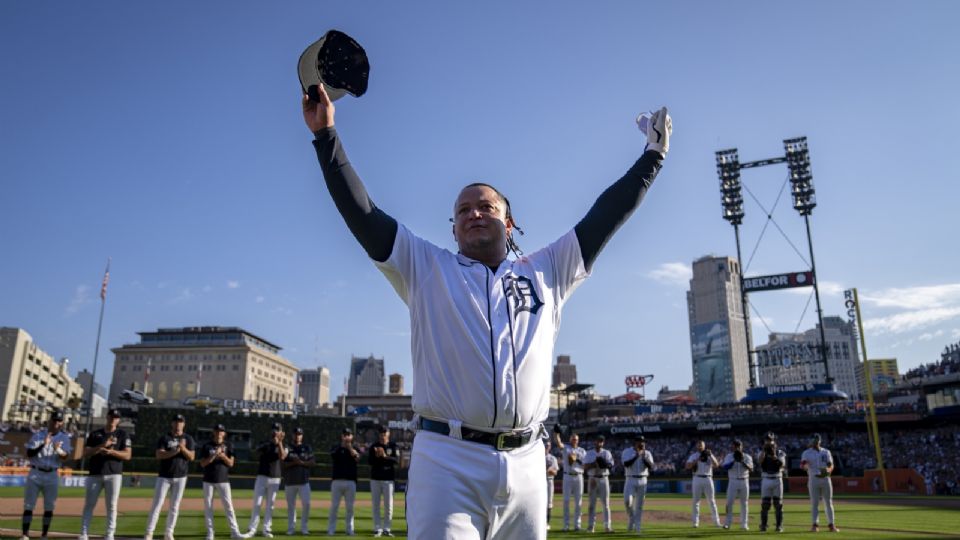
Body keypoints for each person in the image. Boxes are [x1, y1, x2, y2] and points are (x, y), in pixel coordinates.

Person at [303, 79, 670, 540]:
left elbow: (603, 217)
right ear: (454, 229)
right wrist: (326, 137)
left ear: (508, 222)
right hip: (448, 461)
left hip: (529, 463)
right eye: (463, 210)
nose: (474, 213)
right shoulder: (425, 266)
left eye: (486, 206)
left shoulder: (548, 269)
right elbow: (363, 214)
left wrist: (651, 159)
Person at [80, 408, 131, 540]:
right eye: (111, 416)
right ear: (107, 417)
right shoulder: (95, 434)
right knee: (89, 504)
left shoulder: (122, 434)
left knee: (112, 506)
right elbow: (85, 453)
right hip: (95, 473)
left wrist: (111, 452)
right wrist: (102, 446)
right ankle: (84, 533)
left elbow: (127, 455)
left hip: (114, 474)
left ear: (118, 420)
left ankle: (109, 535)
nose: (113, 419)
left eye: (116, 418)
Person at [21, 410, 72, 540]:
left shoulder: (64, 437)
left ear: (61, 423)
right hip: (35, 472)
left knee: (49, 506)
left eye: (59, 421)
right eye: (54, 420)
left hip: (52, 474)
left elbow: (66, 457)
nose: (56, 423)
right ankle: (25, 534)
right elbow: (29, 454)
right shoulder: (38, 435)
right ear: (50, 420)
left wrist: (58, 450)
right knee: (28, 505)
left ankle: (44, 535)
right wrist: (44, 444)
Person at [145, 413, 196, 540]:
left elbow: (191, 457)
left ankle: (169, 532)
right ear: (172, 423)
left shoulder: (188, 439)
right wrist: (175, 451)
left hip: (181, 477)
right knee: (157, 505)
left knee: (174, 506)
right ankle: (149, 532)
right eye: (176, 421)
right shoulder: (165, 438)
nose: (178, 424)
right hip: (164, 476)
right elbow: (159, 455)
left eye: (180, 422)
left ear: (184, 424)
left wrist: (182, 448)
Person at [200, 424, 249, 540]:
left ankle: (234, 532)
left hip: (223, 480)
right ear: (213, 432)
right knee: (208, 507)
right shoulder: (207, 446)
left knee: (229, 506)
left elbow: (231, 463)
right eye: (217, 431)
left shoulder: (229, 445)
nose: (219, 433)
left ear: (224, 433)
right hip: (208, 480)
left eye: (221, 431)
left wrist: (222, 456)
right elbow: (202, 463)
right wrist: (213, 456)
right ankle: (210, 533)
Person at [247, 423, 287, 537]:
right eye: (274, 430)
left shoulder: (284, 444)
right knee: (257, 503)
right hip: (262, 476)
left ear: (281, 432)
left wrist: (279, 442)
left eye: (278, 430)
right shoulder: (264, 443)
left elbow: (282, 456)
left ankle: (266, 528)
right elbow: (257, 452)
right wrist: (272, 443)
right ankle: (252, 528)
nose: (275, 432)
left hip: (275, 478)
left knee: (270, 505)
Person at [801, 433, 838, 533]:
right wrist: (805, 466)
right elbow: (803, 465)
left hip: (825, 478)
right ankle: (815, 525)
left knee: (828, 502)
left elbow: (831, 465)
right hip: (813, 478)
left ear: (819, 441)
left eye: (816, 440)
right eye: (813, 440)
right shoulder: (806, 453)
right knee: (814, 503)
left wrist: (829, 470)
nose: (815, 442)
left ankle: (831, 524)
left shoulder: (826, 452)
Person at [368, 425, 400, 537]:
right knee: (376, 506)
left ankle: (387, 528)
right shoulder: (374, 446)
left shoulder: (393, 446)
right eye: (381, 433)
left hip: (388, 480)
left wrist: (385, 456)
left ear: (388, 434)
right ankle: (377, 529)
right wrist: (377, 455)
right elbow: (370, 462)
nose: (383, 435)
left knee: (389, 506)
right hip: (375, 479)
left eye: (385, 433)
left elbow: (396, 461)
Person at [328, 428, 360, 536]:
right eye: (345, 435)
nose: (347, 437)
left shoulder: (355, 447)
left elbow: (357, 458)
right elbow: (332, 455)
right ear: (342, 436)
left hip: (350, 481)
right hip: (337, 481)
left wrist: (349, 447)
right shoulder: (336, 447)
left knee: (350, 507)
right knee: (334, 507)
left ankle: (350, 529)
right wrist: (342, 446)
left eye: (349, 435)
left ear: (352, 436)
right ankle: (331, 529)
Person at [553, 431, 587, 532]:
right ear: (570, 440)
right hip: (567, 476)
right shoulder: (566, 449)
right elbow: (559, 443)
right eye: (573, 439)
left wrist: (576, 460)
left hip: (579, 476)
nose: (574, 441)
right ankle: (566, 525)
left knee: (578, 502)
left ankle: (577, 525)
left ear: (578, 440)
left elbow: (585, 465)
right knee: (566, 501)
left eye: (576, 439)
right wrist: (556, 434)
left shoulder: (582, 451)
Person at [283, 427, 314, 536]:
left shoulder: (307, 447)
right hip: (290, 481)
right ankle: (291, 528)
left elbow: (312, 462)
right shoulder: (287, 447)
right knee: (291, 507)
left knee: (307, 504)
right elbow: (284, 464)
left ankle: (304, 528)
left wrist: (300, 462)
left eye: (299, 434)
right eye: (296, 434)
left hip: (304, 481)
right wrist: (294, 463)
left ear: (302, 435)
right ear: (292, 435)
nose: (297, 436)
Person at [621, 435, 654, 533]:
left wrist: (643, 457)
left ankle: (638, 526)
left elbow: (651, 466)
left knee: (639, 505)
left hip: (643, 479)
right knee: (627, 501)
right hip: (630, 479)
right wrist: (636, 456)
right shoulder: (627, 451)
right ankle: (632, 517)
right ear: (635, 442)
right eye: (640, 441)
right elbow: (626, 464)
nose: (642, 443)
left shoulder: (647, 453)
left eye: (643, 441)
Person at [685, 440, 721, 528]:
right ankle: (695, 523)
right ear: (696, 446)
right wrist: (697, 459)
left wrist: (711, 455)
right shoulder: (694, 456)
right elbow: (687, 466)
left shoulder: (709, 455)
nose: (700, 447)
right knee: (696, 502)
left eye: (701, 445)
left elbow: (716, 465)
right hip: (697, 478)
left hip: (708, 478)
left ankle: (717, 522)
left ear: (704, 446)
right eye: (699, 445)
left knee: (712, 501)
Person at [583, 434, 613, 533]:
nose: (599, 442)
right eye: (598, 440)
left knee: (606, 504)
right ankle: (591, 526)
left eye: (601, 441)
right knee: (592, 505)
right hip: (592, 479)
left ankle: (607, 526)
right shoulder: (589, 453)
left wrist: (602, 462)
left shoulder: (606, 453)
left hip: (604, 478)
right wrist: (594, 463)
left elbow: (610, 465)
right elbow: (585, 467)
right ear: (594, 442)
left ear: (603, 443)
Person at [721, 439, 753, 531]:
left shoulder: (747, 456)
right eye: (736, 445)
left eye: (739, 445)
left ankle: (744, 524)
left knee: (744, 504)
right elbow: (725, 467)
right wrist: (734, 460)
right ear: (733, 447)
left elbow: (751, 469)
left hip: (744, 481)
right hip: (733, 481)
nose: (738, 447)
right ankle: (727, 523)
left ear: (742, 446)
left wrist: (742, 461)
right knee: (729, 503)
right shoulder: (729, 456)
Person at [758, 433, 786, 533]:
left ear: (774, 441)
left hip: (777, 478)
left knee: (778, 504)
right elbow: (760, 461)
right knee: (765, 504)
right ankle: (763, 525)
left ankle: (779, 526)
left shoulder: (780, 452)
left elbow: (782, 464)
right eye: (767, 440)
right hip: (766, 478)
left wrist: (774, 456)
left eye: (770, 440)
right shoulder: (762, 452)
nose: (769, 442)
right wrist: (764, 451)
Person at [544, 441, 559, 531]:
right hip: (540, 480)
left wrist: (547, 470)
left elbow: (555, 472)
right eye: (545, 445)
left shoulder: (552, 458)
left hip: (549, 480)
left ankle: (547, 523)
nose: (547, 447)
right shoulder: (537, 457)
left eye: (548, 445)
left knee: (549, 502)